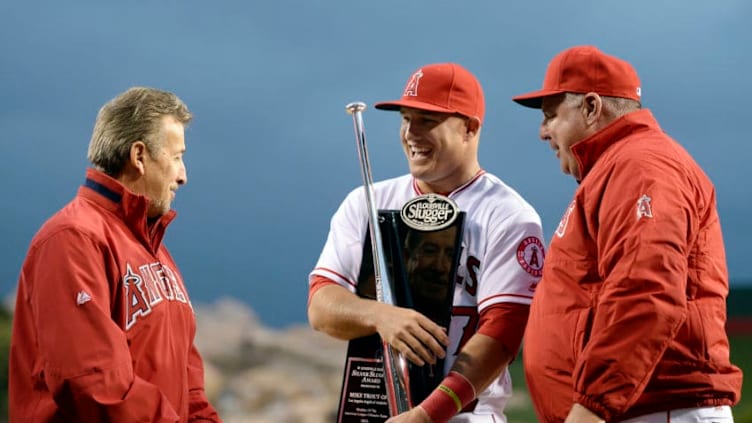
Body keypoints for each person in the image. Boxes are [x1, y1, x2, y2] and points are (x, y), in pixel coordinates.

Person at [512, 45, 743, 423]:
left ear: (590, 107)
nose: (542, 132)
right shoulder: (619, 166)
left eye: (551, 116)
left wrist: (591, 407)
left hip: (651, 409)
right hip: (637, 409)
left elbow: (646, 290)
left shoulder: (639, 165)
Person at [308, 63, 546, 423]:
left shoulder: (510, 215)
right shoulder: (366, 201)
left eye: (427, 121)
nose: (411, 133)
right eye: (406, 119)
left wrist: (427, 415)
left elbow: (503, 335)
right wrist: (379, 315)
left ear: (470, 128)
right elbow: (321, 306)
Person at [9, 87, 223, 422]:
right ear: (139, 156)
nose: (183, 175)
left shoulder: (157, 254)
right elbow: (94, 385)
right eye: (177, 156)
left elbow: (190, 390)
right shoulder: (72, 239)